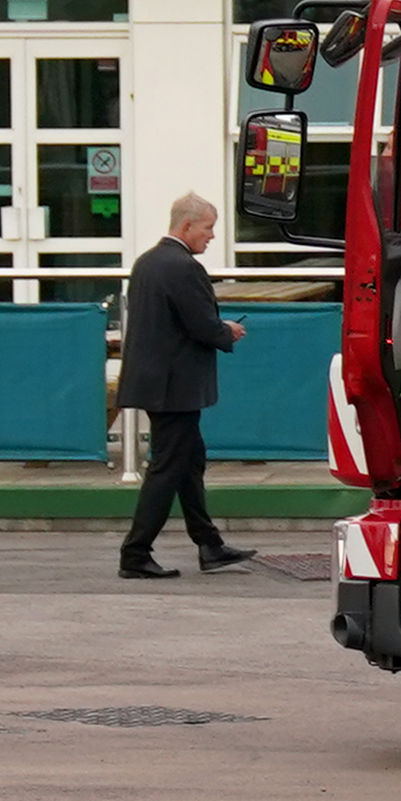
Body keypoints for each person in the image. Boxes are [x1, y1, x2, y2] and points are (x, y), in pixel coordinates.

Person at [118, 194, 254, 579]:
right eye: (208, 228)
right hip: (174, 386)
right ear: (186, 226)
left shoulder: (147, 262)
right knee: (167, 468)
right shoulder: (184, 268)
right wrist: (226, 331)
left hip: (156, 382)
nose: (211, 236)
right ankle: (135, 553)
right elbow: (200, 324)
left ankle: (209, 545)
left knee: (189, 461)